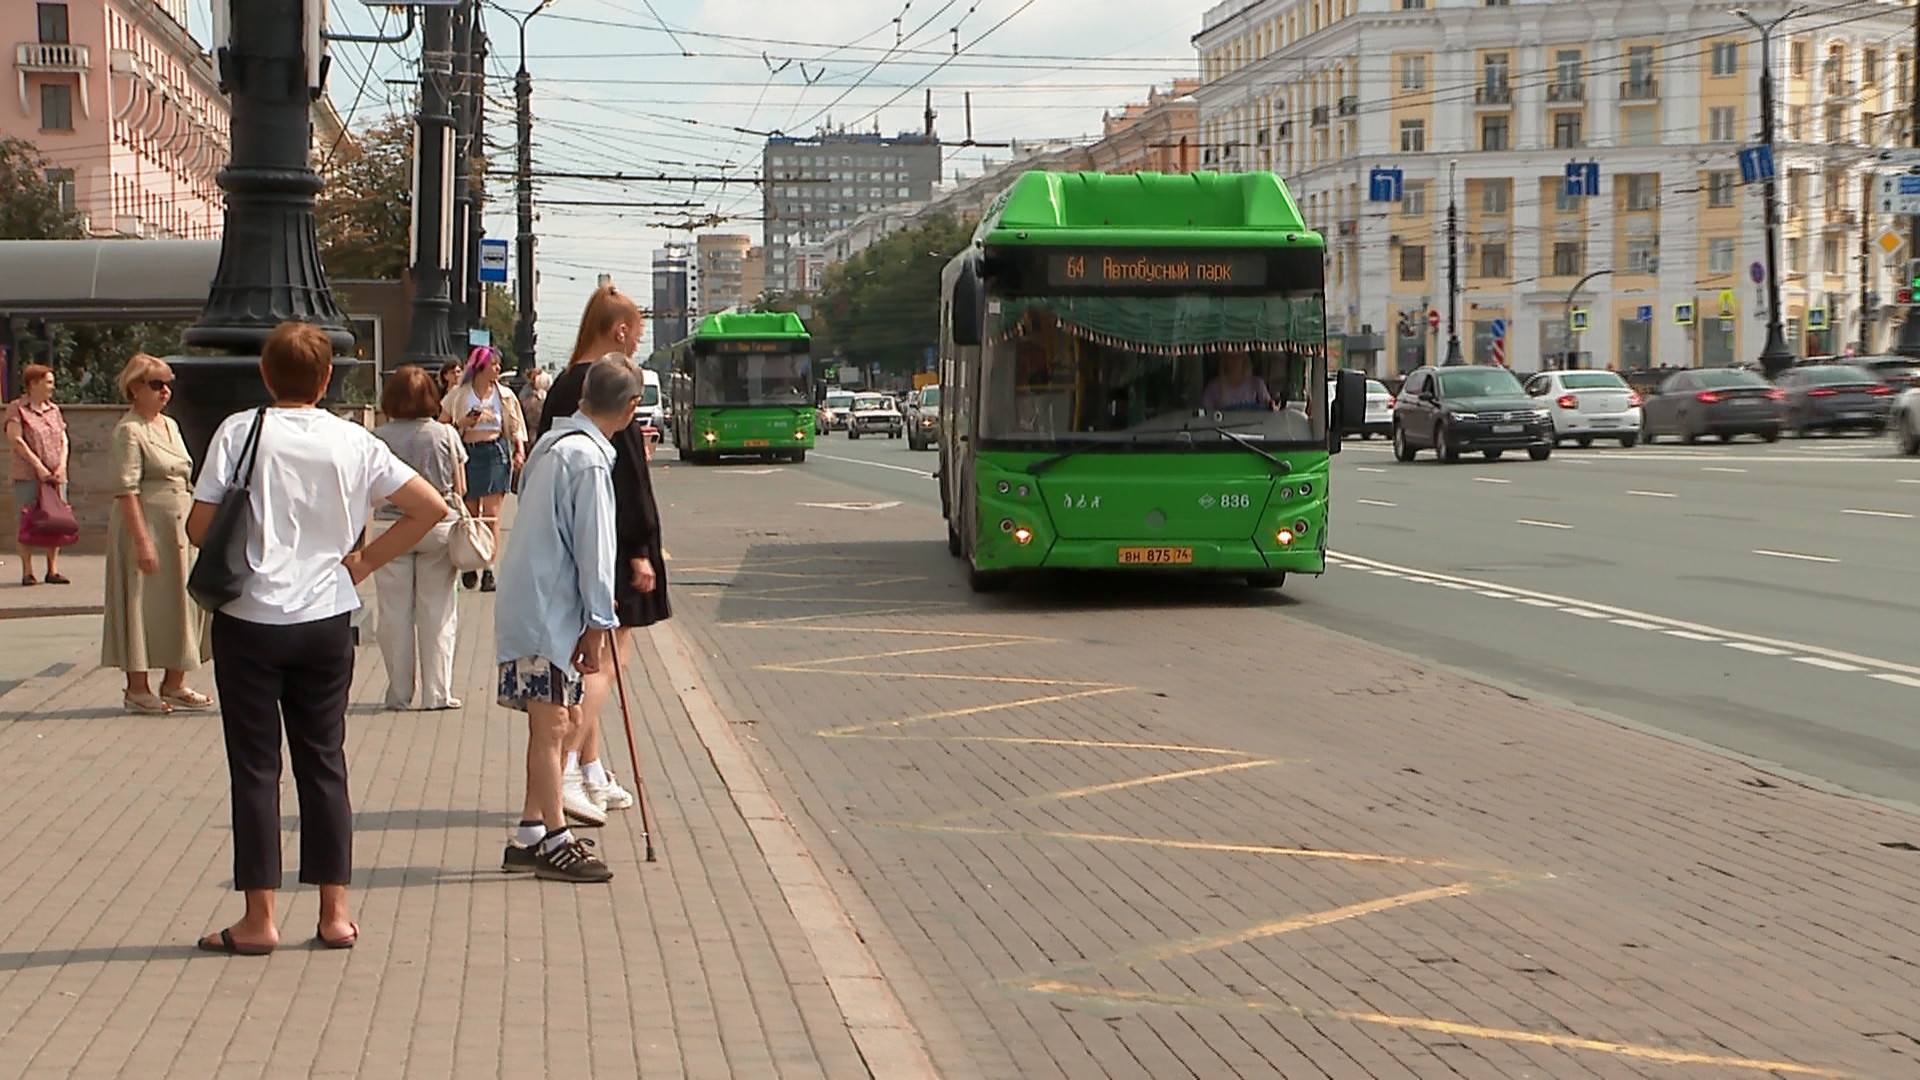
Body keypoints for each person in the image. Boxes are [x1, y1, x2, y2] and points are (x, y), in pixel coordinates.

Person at [188, 321, 447, 955]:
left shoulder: (239, 433)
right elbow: (430, 508)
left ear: (266, 375)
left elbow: (199, 528)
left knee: (255, 769)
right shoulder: (353, 441)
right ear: (328, 376)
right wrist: (360, 564)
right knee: (323, 763)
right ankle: (335, 913)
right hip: (328, 619)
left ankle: (259, 919)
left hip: (249, 620)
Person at [494, 356, 642, 883]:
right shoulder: (586, 460)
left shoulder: (554, 447)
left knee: (561, 720)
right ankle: (555, 837)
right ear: (630, 408)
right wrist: (599, 624)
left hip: (537, 606)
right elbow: (595, 549)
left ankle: (532, 830)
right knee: (553, 722)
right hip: (548, 611)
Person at [536, 284, 667, 826]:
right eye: (637, 330)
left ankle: (588, 765)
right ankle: (568, 766)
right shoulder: (609, 384)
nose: (638, 340)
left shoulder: (569, 383)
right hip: (607, 537)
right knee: (604, 662)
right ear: (618, 331)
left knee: (597, 660)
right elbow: (627, 477)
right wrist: (640, 548)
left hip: (583, 535)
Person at [101, 354, 213, 715]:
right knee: (142, 600)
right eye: (156, 384)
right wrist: (142, 541)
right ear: (135, 388)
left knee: (183, 599)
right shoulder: (129, 430)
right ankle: (137, 687)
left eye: (168, 384)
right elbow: (126, 489)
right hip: (147, 524)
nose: (165, 391)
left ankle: (175, 681)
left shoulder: (170, 425)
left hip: (179, 526)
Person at [373, 365, 468, 711]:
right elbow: (461, 487)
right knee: (437, 611)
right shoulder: (445, 435)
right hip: (437, 528)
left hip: (390, 529)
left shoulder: (378, 437)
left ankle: (398, 693)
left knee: (394, 614)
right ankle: (437, 693)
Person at [441, 346, 525, 592]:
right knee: (470, 512)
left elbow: (516, 425)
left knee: (492, 516)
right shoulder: (459, 394)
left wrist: (519, 449)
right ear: (480, 367)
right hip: (468, 453)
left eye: (499, 365)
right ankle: (469, 563)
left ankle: (488, 567)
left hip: (495, 451)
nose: (497, 369)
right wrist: (462, 423)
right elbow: (441, 425)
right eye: (494, 364)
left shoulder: (505, 395)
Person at [6, 363, 71, 585]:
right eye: (48, 382)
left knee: (56, 520)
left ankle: (52, 569)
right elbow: (16, 440)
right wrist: (39, 467)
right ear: (33, 384)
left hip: (55, 476)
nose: (52, 387)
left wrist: (61, 465)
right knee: (28, 520)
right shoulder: (18, 409)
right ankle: (27, 571)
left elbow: (64, 439)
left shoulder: (54, 410)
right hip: (28, 476)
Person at [1201, 349, 1276, 412]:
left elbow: (1269, 408)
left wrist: (1271, 405)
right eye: (1230, 356)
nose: (1234, 360)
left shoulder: (1257, 383)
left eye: (1237, 355)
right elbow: (1206, 415)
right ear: (1224, 358)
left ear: (1244, 357)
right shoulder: (1212, 388)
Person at [519, 367, 552, 435]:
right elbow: (521, 399)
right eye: (533, 378)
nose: (534, 381)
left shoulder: (545, 390)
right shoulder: (526, 389)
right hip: (531, 424)